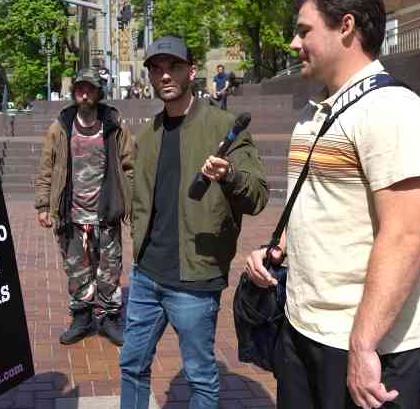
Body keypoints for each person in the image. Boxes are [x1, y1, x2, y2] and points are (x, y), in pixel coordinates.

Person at [243, 0, 420, 409]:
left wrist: (364, 344)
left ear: (346, 26)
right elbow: (324, 209)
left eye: (303, 30)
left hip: (367, 347)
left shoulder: (395, 111)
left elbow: (406, 234)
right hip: (303, 326)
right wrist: (277, 251)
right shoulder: (314, 112)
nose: (294, 44)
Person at [120, 36, 269, 408]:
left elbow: (258, 196)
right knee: (131, 365)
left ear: (191, 71)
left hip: (196, 279)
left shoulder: (224, 126)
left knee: (200, 378)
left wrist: (229, 175)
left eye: (172, 67)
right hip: (146, 276)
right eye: (156, 69)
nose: (164, 75)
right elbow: (140, 200)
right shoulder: (148, 136)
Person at [34, 69, 133, 347]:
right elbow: (47, 168)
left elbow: (130, 166)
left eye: (90, 89)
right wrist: (43, 203)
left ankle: (109, 318)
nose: (85, 94)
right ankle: (83, 317)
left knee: (109, 268)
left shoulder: (114, 124)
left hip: (106, 212)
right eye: (80, 89)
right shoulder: (60, 127)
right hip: (72, 213)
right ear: (74, 92)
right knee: (77, 269)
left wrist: (133, 204)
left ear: (99, 92)